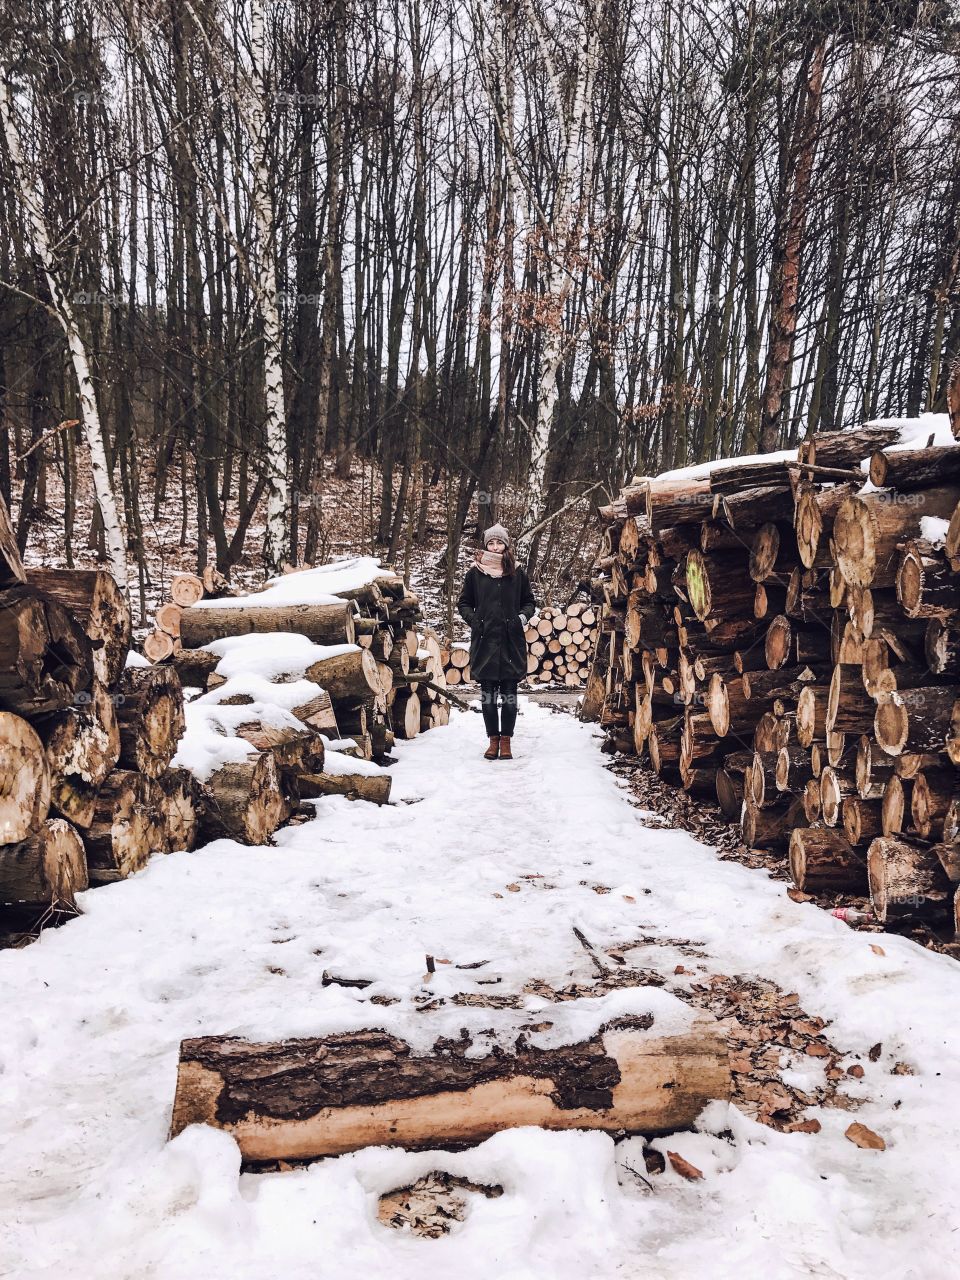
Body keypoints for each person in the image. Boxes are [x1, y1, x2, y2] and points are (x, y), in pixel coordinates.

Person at [456, 523, 537, 760]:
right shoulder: (475, 573)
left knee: (510, 695)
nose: (495, 546)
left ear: (506, 545)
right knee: (488, 695)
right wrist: (475, 621)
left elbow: (529, 602)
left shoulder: (517, 572)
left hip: (511, 641)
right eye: (491, 542)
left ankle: (506, 742)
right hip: (484, 641)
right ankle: (493, 740)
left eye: (499, 542)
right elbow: (463, 603)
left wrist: (520, 618)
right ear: (485, 544)